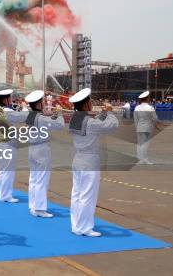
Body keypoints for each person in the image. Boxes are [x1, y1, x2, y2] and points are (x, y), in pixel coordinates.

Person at [68, 88, 119, 237]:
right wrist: (109, 112)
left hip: (78, 158)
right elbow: (112, 126)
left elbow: (96, 123)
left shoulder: (75, 119)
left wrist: (102, 114)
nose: (91, 104)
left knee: (77, 194)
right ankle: (85, 228)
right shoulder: (90, 122)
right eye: (89, 102)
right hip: (89, 160)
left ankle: (76, 225)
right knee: (87, 196)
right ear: (85, 105)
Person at [25, 90, 65, 218]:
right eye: (41, 102)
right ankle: (40, 209)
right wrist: (59, 113)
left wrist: (50, 115)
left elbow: (46, 120)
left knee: (34, 179)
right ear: (37, 104)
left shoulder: (30, 115)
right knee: (42, 179)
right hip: (41, 149)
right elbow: (59, 125)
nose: (43, 103)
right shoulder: (40, 118)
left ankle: (33, 205)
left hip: (32, 148)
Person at [0, 89, 28, 203]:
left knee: (2, 169)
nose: (11, 100)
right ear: (5, 99)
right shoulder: (7, 111)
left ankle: (1, 193)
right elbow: (23, 117)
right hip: (8, 144)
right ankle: (6, 195)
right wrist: (24, 106)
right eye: (9, 98)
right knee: (8, 169)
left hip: (0, 142)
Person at [134, 91, 159, 164]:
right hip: (148, 127)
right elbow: (154, 118)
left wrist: (137, 127)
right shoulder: (150, 107)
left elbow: (135, 119)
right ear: (147, 99)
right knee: (145, 144)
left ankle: (140, 159)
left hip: (139, 127)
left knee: (140, 144)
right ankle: (145, 159)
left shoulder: (137, 107)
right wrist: (155, 125)